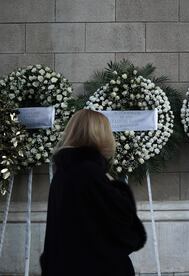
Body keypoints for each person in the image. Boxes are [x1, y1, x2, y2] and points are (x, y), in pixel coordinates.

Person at [40, 109, 146, 276]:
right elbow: (125, 228)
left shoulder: (63, 172)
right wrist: (119, 189)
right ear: (102, 135)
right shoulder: (91, 173)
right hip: (98, 267)